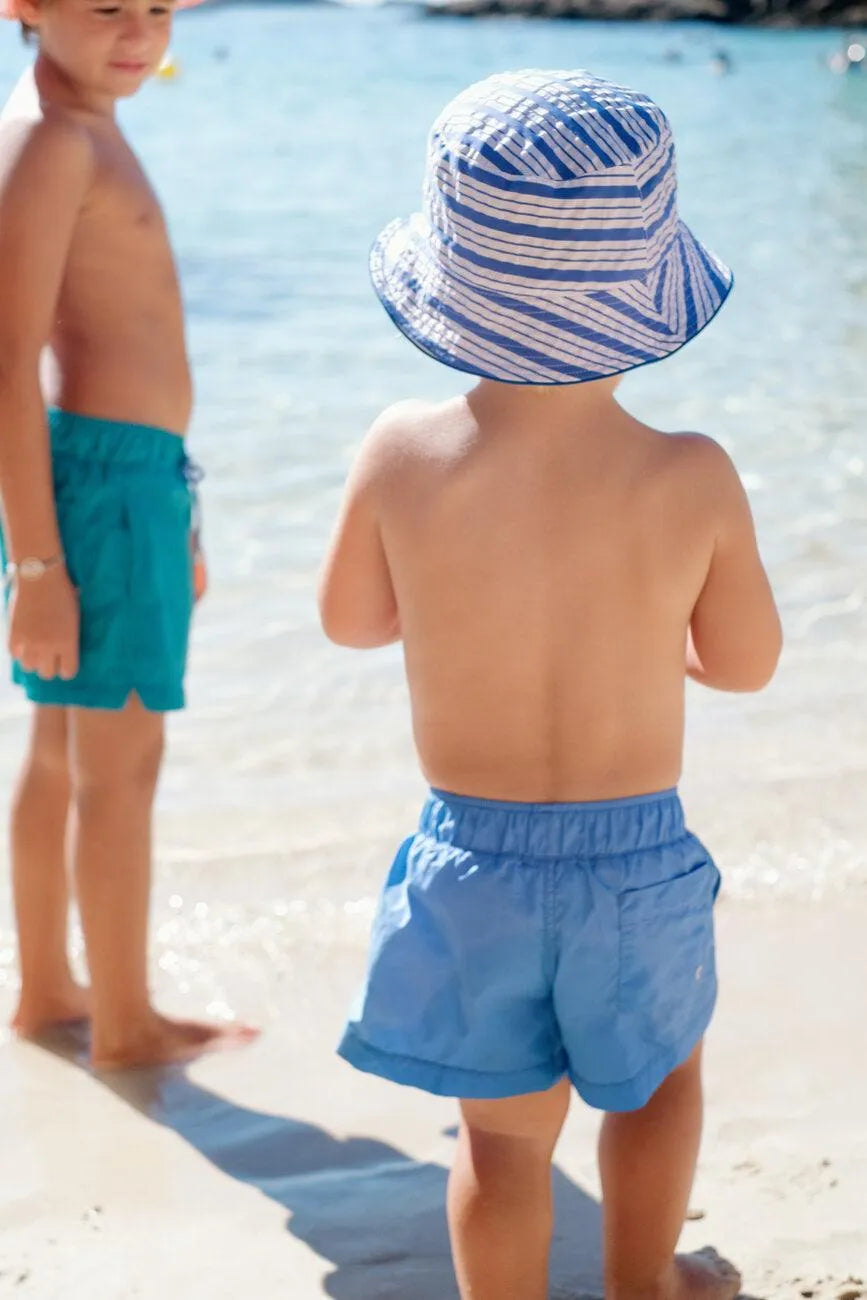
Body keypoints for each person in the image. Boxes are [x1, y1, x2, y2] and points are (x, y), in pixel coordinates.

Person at [319, 70, 781, 1300]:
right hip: (633, 862)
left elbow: (351, 621)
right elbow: (745, 663)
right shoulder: (690, 474)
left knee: (501, 1139)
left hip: (470, 858)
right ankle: (647, 1286)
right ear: (645, 285)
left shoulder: (400, 452)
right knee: (658, 1081)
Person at [0, 0, 256, 1068]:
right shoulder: (54, 140)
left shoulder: (85, 116)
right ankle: (124, 1022)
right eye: (108, 7)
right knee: (122, 761)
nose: (140, 32)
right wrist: (39, 566)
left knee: (64, 749)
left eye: (157, 8)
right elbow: (7, 361)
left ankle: (52, 990)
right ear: (26, 6)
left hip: (125, 480)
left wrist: (170, 506)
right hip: (98, 492)